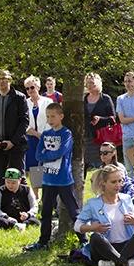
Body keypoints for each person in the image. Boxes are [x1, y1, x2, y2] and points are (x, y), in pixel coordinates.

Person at [24, 103, 85, 252]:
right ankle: (43, 241)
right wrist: (47, 156)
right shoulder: (45, 134)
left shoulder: (66, 134)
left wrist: (47, 156)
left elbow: (61, 152)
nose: (50, 119)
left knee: (73, 211)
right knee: (45, 212)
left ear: (61, 116)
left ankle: (83, 240)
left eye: (53, 116)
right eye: (48, 116)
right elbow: (38, 154)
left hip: (64, 179)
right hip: (48, 180)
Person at [75, 165, 134, 266]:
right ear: (103, 183)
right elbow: (77, 225)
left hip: (126, 246)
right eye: (113, 182)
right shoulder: (93, 203)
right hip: (105, 248)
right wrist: (91, 228)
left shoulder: (126, 199)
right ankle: (126, 262)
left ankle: (116, 263)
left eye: (120, 181)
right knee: (95, 237)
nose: (118, 185)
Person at [0, 69, 29, 188]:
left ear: (10, 80)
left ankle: (24, 204)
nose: (1, 81)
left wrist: (13, 141)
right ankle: (0, 205)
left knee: (19, 177)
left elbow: (24, 121)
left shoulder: (19, 98)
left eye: (3, 79)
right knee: (0, 178)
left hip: (16, 145)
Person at [23, 74, 53, 201]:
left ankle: (48, 192)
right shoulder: (24, 103)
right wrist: (35, 133)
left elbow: (51, 119)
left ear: (38, 87)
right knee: (33, 166)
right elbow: (23, 122)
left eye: (32, 87)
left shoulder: (48, 102)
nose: (30, 90)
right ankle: (35, 194)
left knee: (47, 164)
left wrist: (43, 134)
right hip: (30, 137)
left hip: (46, 137)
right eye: (27, 88)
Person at [83, 72, 116, 171]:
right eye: (87, 83)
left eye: (92, 83)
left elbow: (113, 118)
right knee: (84, 163)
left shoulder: (105, 99)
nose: (89, 85)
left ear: (98, 83)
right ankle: (81, 185)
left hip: (101, 137)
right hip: (86, 136)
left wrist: (100, 119)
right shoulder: (84, 99)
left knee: (103, 163)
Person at [97, 141, 134, 210]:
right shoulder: (101, 168)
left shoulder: (119, 168)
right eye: (100, 153)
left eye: (105, 153)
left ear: (113, 153)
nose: (102, 156)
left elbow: (120, 186)